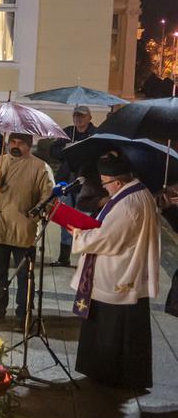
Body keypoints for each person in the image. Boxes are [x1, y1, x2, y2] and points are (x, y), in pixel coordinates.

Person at [68, 153, 161, 389]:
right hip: (122, 271)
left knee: (111, 330)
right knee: (119, 330)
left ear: (117, 182)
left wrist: (79, 234)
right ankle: (116, 373)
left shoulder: (129, 204)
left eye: (105, 182)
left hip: (118, 274)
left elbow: (108, 239)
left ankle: (109, 374)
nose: (103, 187)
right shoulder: (137, 192)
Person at [0, 132, 53, 324]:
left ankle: (23, 313)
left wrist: (35, 212)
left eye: (21, 143)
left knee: (25, 275)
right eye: (13, 142)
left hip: (23, 229)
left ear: (29, 145)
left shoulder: (40, 167)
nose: (16, 146)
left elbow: (48, 196)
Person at [51, 105, 100, 266]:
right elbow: (54, 151)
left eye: (82, 116)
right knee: (66, 219)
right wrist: (66, 149)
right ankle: (63, 257)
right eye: (76, 116)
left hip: (86, 182)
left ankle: (85, 257)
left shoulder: (96, 134)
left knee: (83, 220)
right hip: (67, 180)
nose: (78, 119)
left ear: (89, 118)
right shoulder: (67, 132)